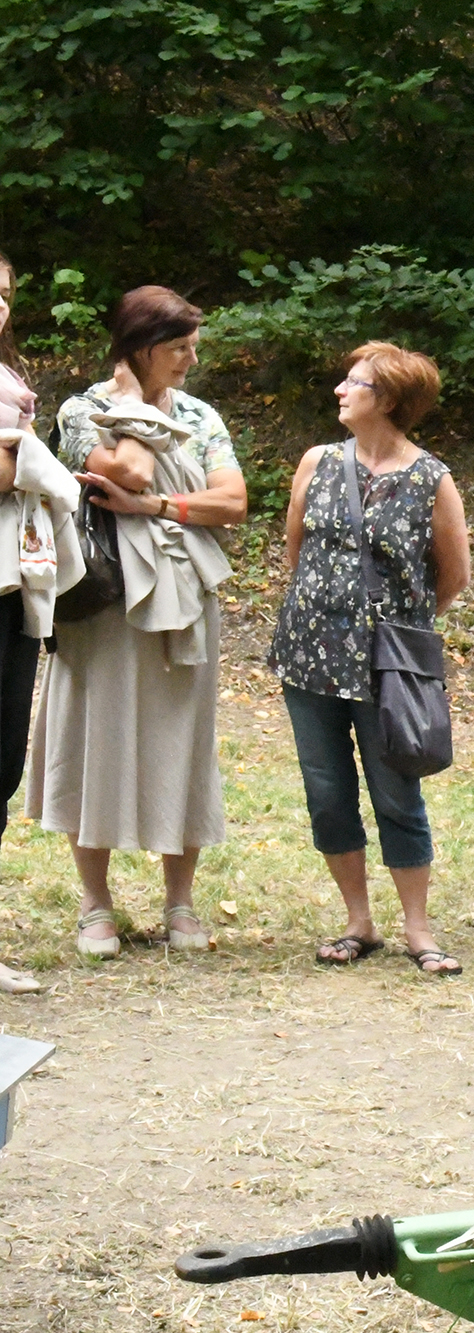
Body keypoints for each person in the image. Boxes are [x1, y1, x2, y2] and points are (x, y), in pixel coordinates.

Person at [32, 285, 248, 959]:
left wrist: (155, 506)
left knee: (182, 739)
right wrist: (133, 408)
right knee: (94, 737)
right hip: (103, 598)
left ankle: (180, 902)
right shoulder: (83, 411)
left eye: (193, 347)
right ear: (142, 347)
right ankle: (95, 905)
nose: (191, 360)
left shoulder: (200, 415)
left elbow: (232, 501)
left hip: (186, 597)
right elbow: (128, 466)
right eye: (179, 347)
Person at [269, 342, 473, 975]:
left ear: (387, 400)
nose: (340, 390)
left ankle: (418, 928)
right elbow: (297, 548)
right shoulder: (318, 462)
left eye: (354, 383)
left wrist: (395, 624)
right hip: (309, 656)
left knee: (396, 792)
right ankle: (358, 921)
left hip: (389, 667)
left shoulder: (432, 479)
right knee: (327, 792)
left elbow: (453, 577)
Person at [0, 249, 63, 995]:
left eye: (6, 294)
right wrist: (28, 460)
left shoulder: (12, 378)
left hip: (15, 589)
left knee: (2, 764)